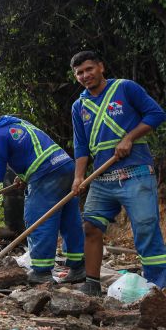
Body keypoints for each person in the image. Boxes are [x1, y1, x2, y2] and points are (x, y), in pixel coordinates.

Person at [70, 51, 166, 295]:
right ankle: (91, 283)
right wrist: (79, 177)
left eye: (89, 69)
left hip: (135, 173)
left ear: (101, 67)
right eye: (79, 73)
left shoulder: (125, 88)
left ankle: (158, 285)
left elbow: (156, 114)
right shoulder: (79, 106)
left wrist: (129, 137)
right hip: (102, 179)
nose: (85, 75)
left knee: (145, 227)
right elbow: (81, 146)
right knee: (90, 226)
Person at [0, 105, 85, 284]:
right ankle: (78, 268)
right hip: (66, 167)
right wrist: (25, 176)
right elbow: (33, 150)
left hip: (46, 173)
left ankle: (41, 273)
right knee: (69, 219)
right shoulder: (18, 123)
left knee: (38, 220)